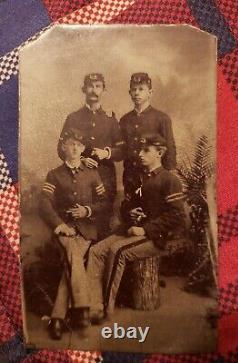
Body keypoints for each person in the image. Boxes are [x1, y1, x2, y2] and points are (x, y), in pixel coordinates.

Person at [87, 134, 187, 323]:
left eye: (146, 150)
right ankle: (94, 304)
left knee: (117, 252)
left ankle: (106, 310)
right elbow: (126, 205)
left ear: (160, 153)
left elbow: (177, 216)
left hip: (155, 237)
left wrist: (146, 229)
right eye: (140, 150)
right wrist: (130, 212)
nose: (140, 154)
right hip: (133, 230)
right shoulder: (139, 178)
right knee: (96, 251)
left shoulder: (169, 180)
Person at [40, 128, 107, 340]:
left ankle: (58, 318)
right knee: (74, 255)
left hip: (86, 230)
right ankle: (82, 309)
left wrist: (87, 211)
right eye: (71, 144)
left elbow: (104, 202)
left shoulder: (92, 173)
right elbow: (44, 204)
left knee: (72, 259)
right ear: (63, 147)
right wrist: (59, 224)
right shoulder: (54, 174)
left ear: (84, 148)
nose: (76, 148)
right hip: (65, 229)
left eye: (79, 145)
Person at [58, 73, 124, 237]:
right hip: (79, 180)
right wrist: (79, 159)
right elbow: (60, 148)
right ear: (84, 89)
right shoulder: (73, 118)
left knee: (103, 225)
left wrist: (106, 153)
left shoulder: (110, 119)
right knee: (79, 226)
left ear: (103, 89)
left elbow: (122, 150)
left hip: (105, 178)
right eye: (90, 86)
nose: (94, 91)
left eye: (98, 86)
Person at [120, 72, 176, 196]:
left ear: (150, 93)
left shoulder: (161, 118)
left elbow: (170, 147)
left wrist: (169, 174)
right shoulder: (125, 120)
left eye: (141, 89)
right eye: (134, 89)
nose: (137, 93)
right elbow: (122, 148)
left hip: (153, 175)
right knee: (132, 210)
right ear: (129, 93)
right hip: (131, 176)